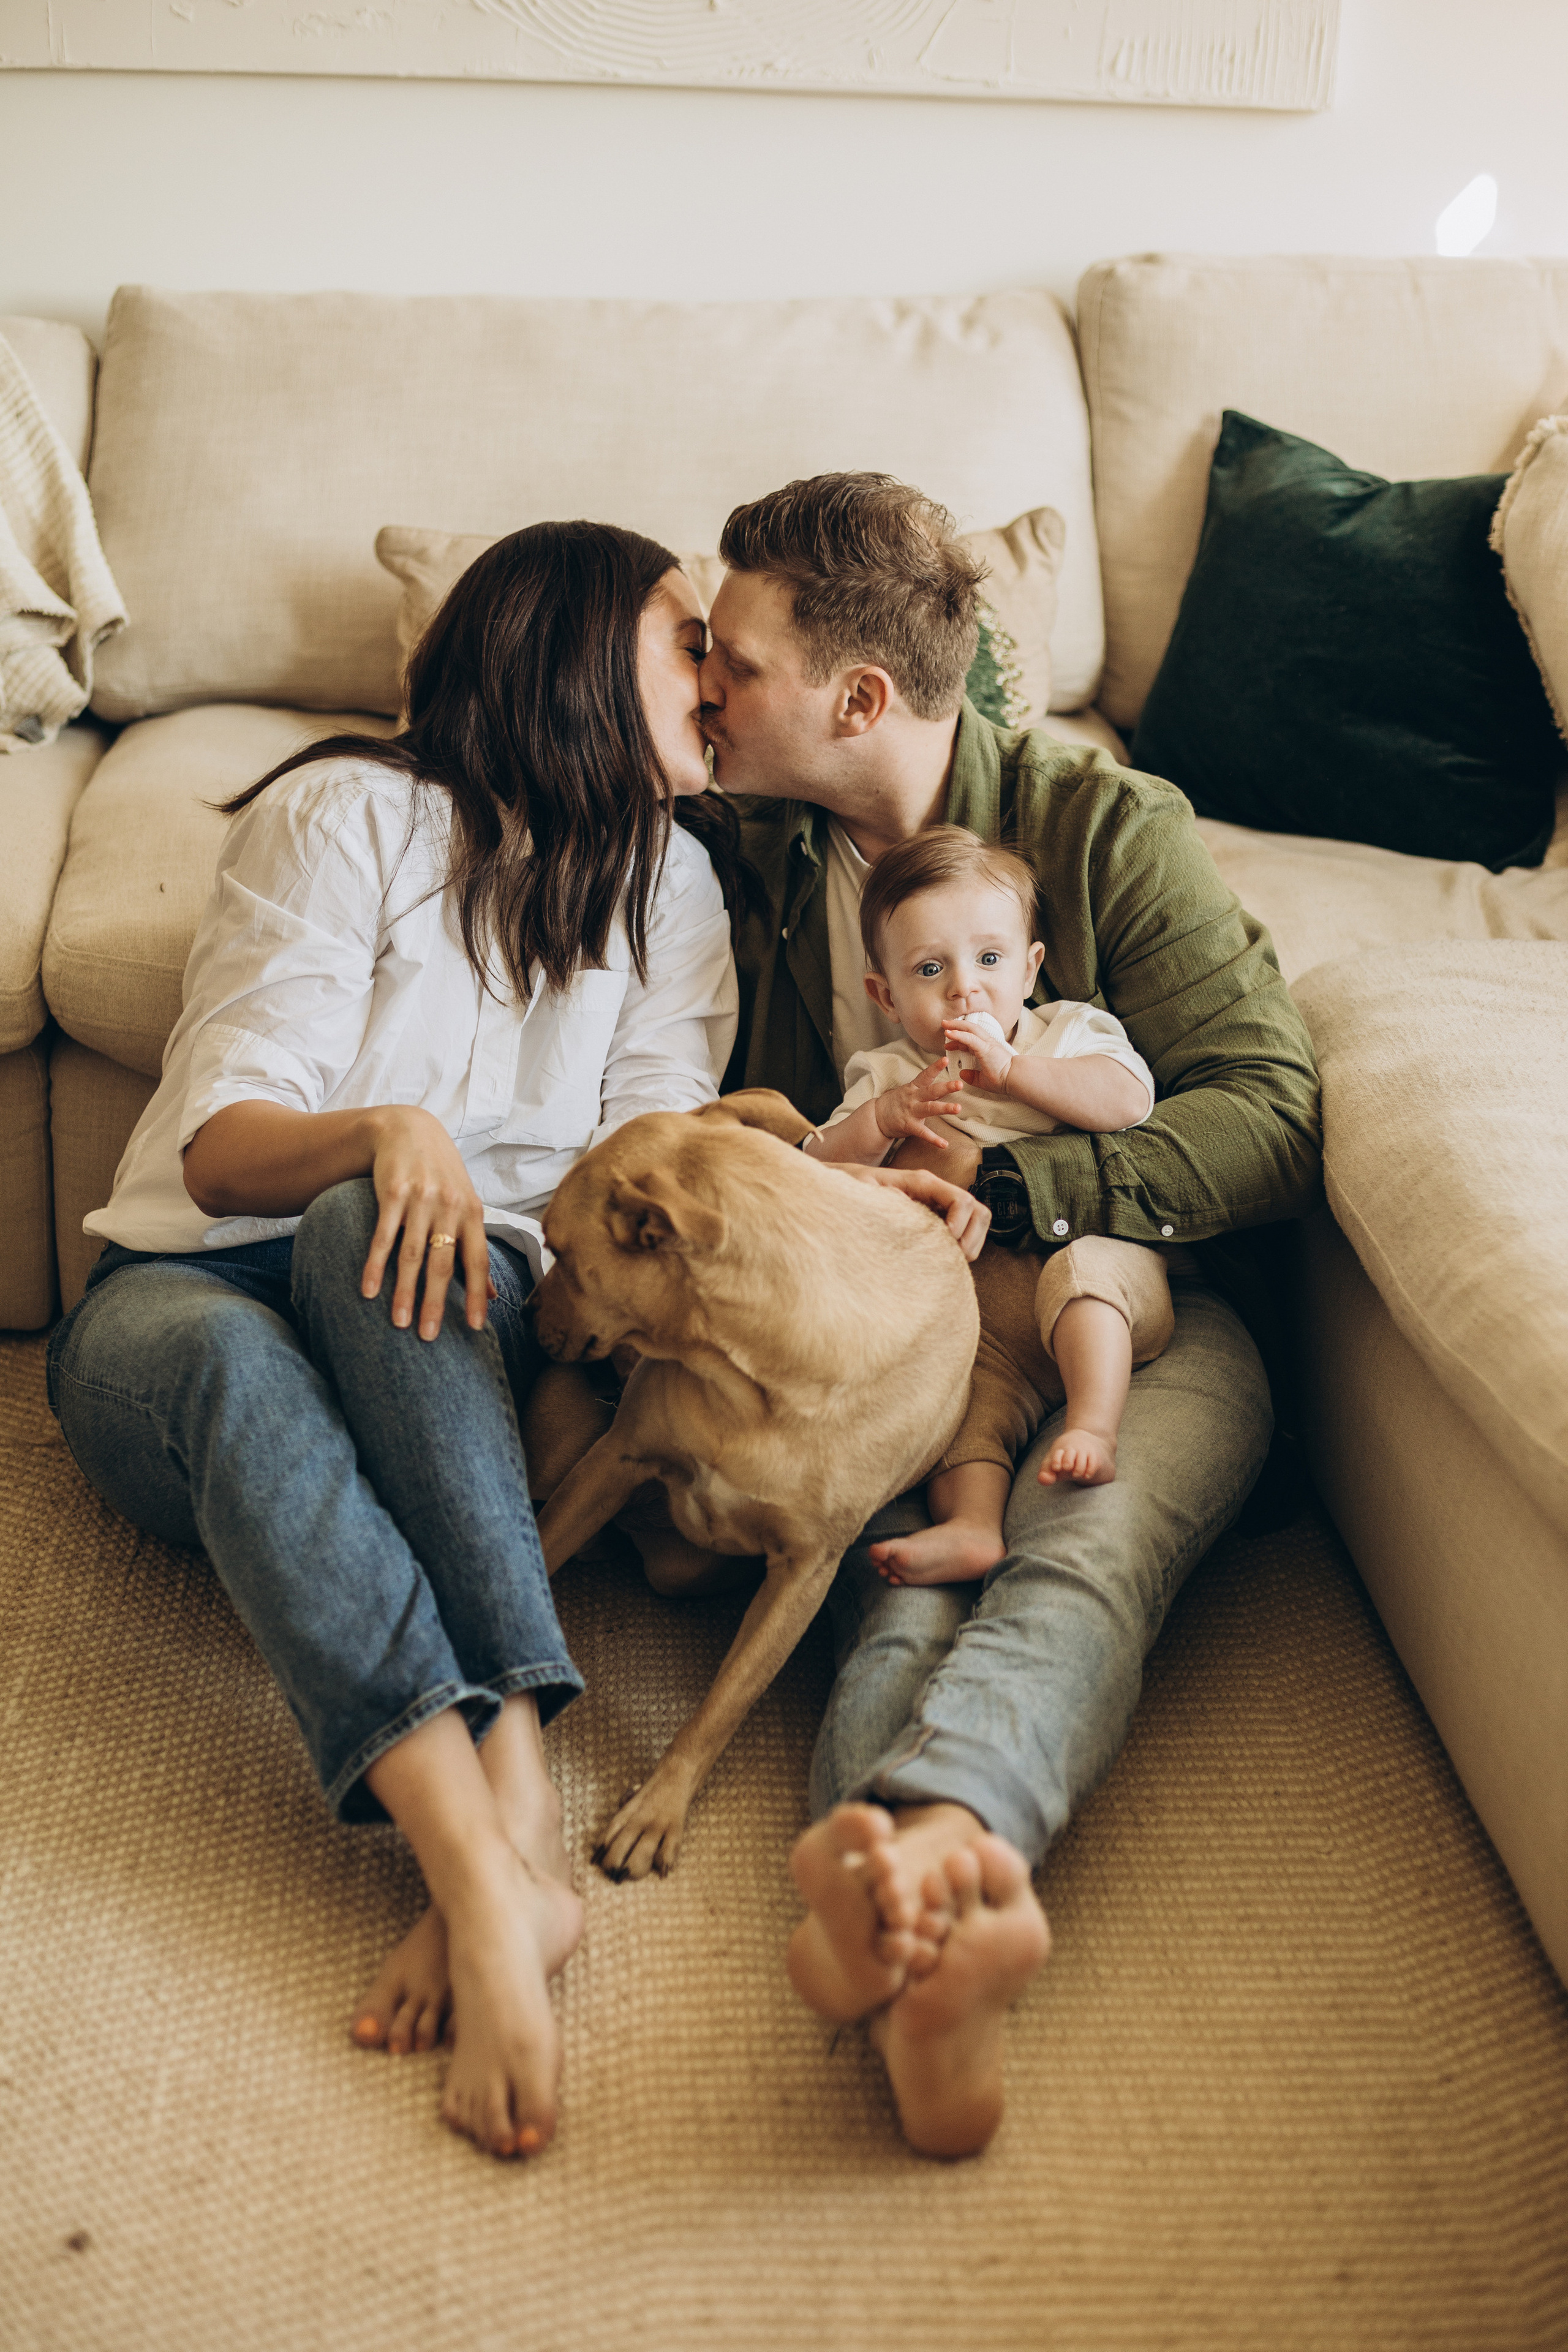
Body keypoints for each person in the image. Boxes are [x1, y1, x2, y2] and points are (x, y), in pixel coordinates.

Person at [46, 521, 745, 2163]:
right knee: (287, 1301)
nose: (715, 684)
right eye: (685, 644)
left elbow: (658, 1155)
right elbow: (220, 1151)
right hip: (183, 1303)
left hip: (441, 1318)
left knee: (389, 1237)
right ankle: (501, 1851)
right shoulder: (345, 814)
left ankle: (489, 1865)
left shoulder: (683, 885)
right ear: (577, 655)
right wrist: (383, 1129)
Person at [700, 471, 1322, 2158]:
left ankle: (912, 1854)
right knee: (889, 1586)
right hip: (913, 1347)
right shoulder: (731, 854)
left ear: (853, 700)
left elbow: (1268, 1108)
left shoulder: (1100, 826)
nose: (700, 684)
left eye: (730, 659)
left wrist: (1020, 1197)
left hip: (1142, 1314)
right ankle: (932, 1924)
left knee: (1079, 1550)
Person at [807, 824, 1175, 1586]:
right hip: (981, 1325)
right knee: (958, 1397)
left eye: (990, 959)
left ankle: (1093, 1426)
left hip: (1085, 1272)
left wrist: (1016, 1074)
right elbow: (812, 1173)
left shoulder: (1065, 1032)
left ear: (1031, 966)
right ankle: (972, 1527)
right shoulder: (888, 1074)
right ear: (885, 994)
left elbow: (1128, 1101)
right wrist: (880, 1121)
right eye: (930, 968)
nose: (964, 987)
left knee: (1086, 1277)